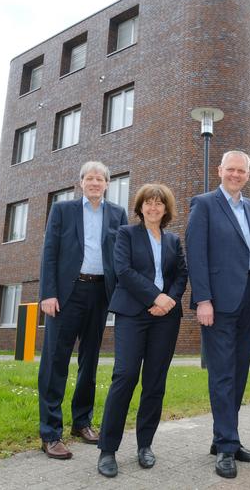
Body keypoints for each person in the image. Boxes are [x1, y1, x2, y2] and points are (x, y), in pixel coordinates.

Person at [185, 150, 250, 479]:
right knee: (222, 373)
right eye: (231, 169)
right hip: (219, 302)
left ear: (248, 175)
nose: (236, 175)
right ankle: (226, 446)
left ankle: (226, 437)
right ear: (220, 170)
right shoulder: (204, 204)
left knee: (238, 372)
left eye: (242, 171)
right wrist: (203, 299)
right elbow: (195, 254)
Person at [37, 160, 128, 460]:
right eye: (89, 178)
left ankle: (82, 422)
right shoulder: (63, 210)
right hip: (67, 294)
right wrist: (48, 293)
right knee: (55, 362)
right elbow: (50, 252)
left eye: (100, 179)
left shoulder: (117, 214)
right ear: (80, 183)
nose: (94, 183)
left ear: (107, 184)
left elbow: (122, 256)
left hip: (100, 293)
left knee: (89, 362)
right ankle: (50, 433)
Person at [96, 184, 188, 477]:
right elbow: (123, 270)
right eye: (148, 203)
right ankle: (108, 449)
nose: (153, 207)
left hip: (166, 317)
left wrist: (168, 300)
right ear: (140, 207)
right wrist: (154, 296)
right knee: (124, 376)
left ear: (166, 209)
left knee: (155, 382)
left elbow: (181, 273)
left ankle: (145, 445)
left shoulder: (173, 240)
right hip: (133, 314)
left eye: (159, 203)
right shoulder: (126, 234)